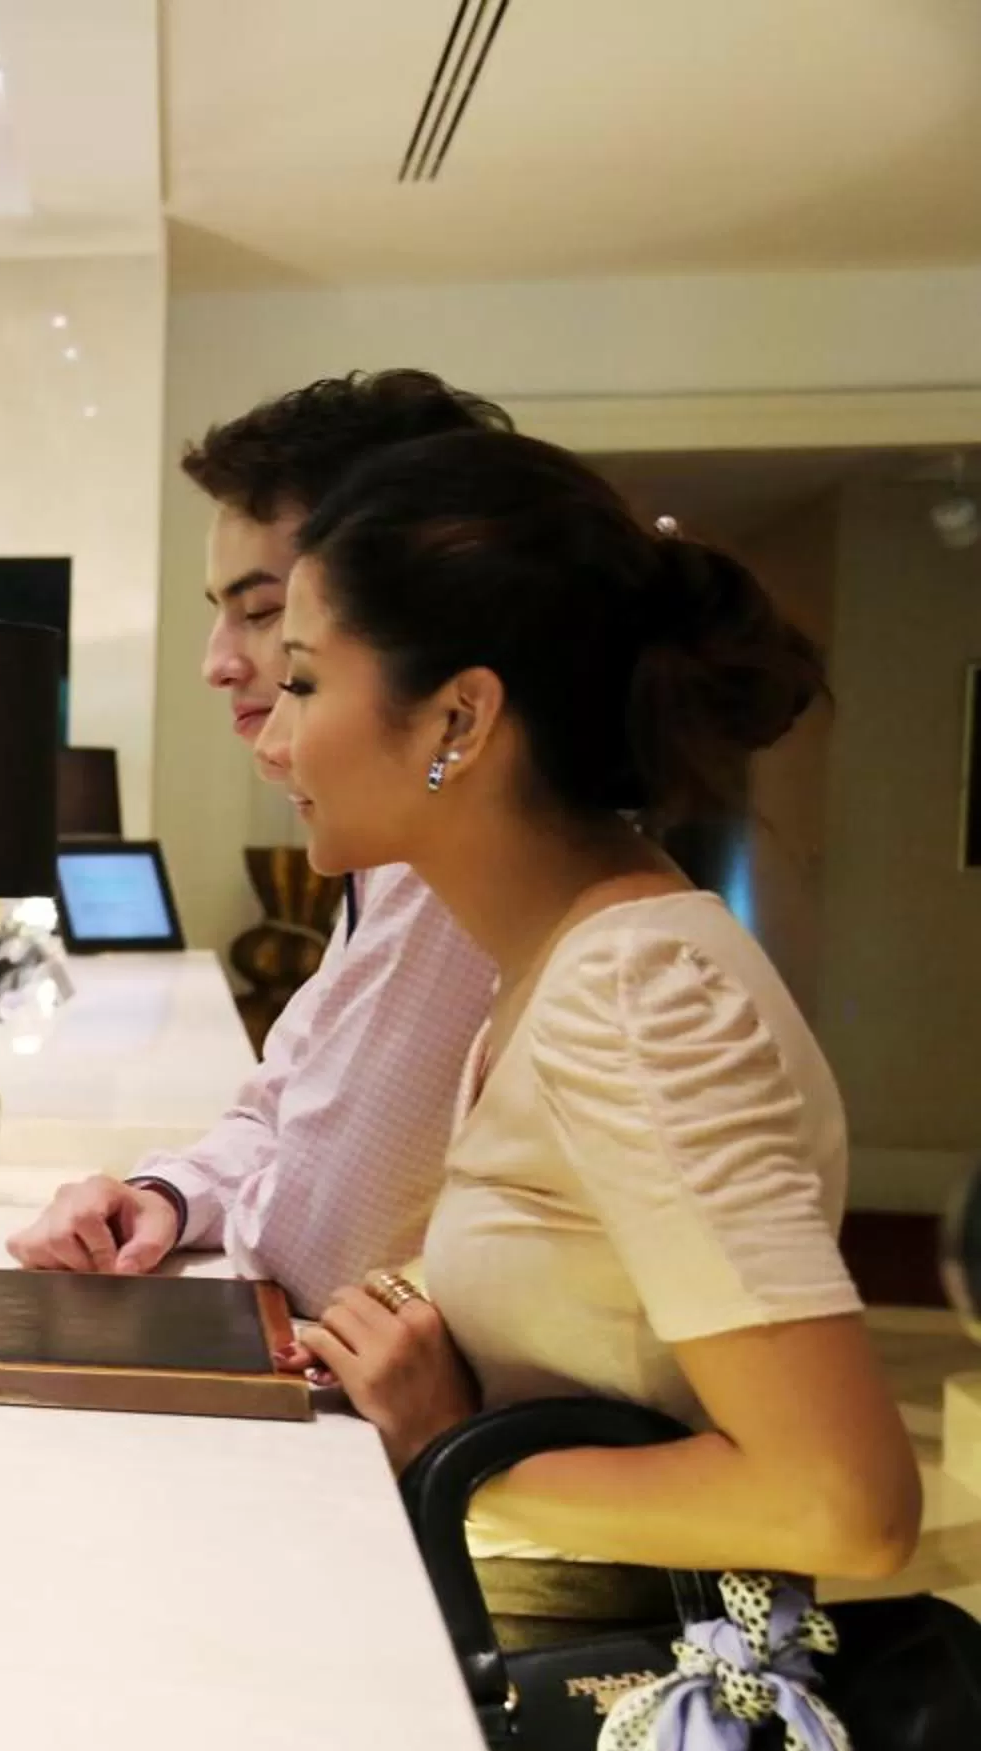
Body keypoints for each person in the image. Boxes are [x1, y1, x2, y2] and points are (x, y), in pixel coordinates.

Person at [266, 428, 917, 1578]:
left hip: (610, 1709)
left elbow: (840, 1503)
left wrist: (451, 1446)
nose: (274, 741)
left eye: (306, 681)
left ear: (458, 721)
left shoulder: (634, 993)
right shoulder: (561, 961)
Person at [9, 371, 504, 1312]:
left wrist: (242, 1200)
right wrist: (164, 1193)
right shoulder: (394, 858)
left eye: (269, 614)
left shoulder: (466, 879)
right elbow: (281, 1109)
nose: (217, 662)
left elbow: (324, 1242)